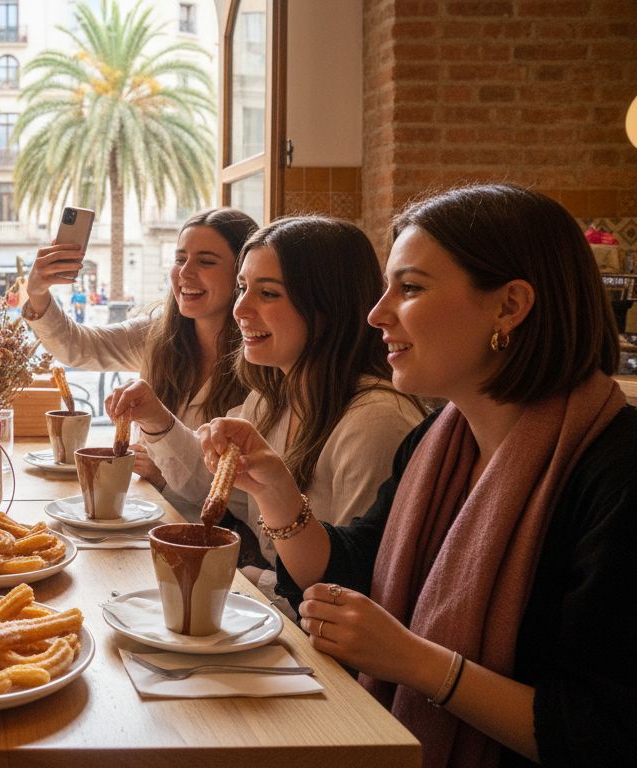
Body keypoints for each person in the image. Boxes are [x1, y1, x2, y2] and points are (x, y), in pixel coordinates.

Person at [200, 185, 634, 766]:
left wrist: (415, 663)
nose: (377, 313)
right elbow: (358, 570)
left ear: (509, 306)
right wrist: (277, 490)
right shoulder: (439, 440)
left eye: (410, 288)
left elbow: (602, 732)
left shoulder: (615, 472)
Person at [118, 216, 425, 604]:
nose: (240, 309)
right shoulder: (269, 399)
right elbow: (211, 493)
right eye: (243, 288)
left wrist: (250, 582)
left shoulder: (374, 422)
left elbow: (357, 589)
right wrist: (155, 418)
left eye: (268, 293)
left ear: (327, 304)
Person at [28, 208, 258, 511]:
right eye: (179, 259)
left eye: (205, 261)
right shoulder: (157, 335)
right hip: (145, 515)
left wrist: (163, 474)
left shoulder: (261, 359)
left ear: (242, 275)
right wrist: (37, 291)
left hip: (209, 538)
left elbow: (240, 494)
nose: (185, 273)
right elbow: (78, 347)